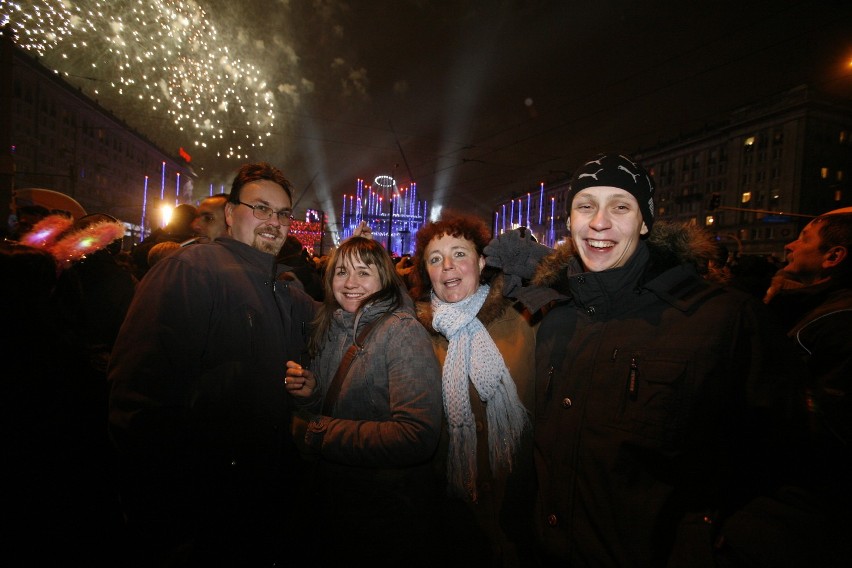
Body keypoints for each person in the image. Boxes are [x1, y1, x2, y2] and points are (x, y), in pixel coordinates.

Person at [486, 153, 822, 567]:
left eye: (620, 206)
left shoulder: (725, 320)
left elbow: (794, 474)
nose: (599, 222)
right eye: (585, 205)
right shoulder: (555, 319)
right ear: (570, 221)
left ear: (645, 222)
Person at [107, 162, 317, 567]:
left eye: (283, 213)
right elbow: (138, 395)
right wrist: (163, 512)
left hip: (257, 497)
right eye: (260, 208)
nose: (273, 221)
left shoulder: (282, 288)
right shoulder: (190, 270)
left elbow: (339, 317)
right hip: (202, 505)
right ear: (230, 213)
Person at [284, 236, 443, 566]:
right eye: (341, 271)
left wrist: (317, 433)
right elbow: (338, 404)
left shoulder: (401, 331)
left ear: (385, 278)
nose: (350, 283)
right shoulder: (331, 325)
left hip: (383, 510)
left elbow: (417, 436)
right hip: (336, 503)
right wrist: (311, 394)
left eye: (363, 272)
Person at [408, 212, 537, 567]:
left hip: (522, 514)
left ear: (482, 261)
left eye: (459, 254)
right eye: (435, 259)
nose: (448, 266)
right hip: (452, 519)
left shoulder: (527, 320)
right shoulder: (415, 338)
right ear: (427, 273)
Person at [762, 208, 852, 562]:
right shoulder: (816, 306)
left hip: (809, 503)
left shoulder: (840, 320)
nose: (790, 245)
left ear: (833, 256)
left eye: (805, 238)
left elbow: (830, 425)